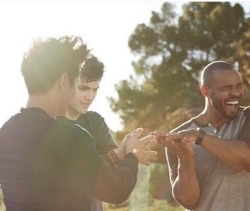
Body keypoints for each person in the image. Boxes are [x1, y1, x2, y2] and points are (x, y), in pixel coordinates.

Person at [0, 36, 157, 211]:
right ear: (64, 81)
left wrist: (119, 154)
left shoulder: (6, 132)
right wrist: (132, 155)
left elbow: (70, 173)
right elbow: (116, 190)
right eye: (77, 84)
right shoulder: (71, 136)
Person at [154, 61, 250, 211]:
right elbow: (189, 201)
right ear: (205, 90)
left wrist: (200, 137)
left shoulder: (247, 117)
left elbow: (247, 160)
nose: (237, 93)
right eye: (227, 88)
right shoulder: (179, 136)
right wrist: (185, 157)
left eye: (239, 86)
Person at [57, 55, 117, 211]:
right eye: (83, 88)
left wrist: (132, 150)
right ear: (65, 83)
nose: (90, 96)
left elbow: (113, 166)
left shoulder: (95, 121)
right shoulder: (47, 124)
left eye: (95, 89)